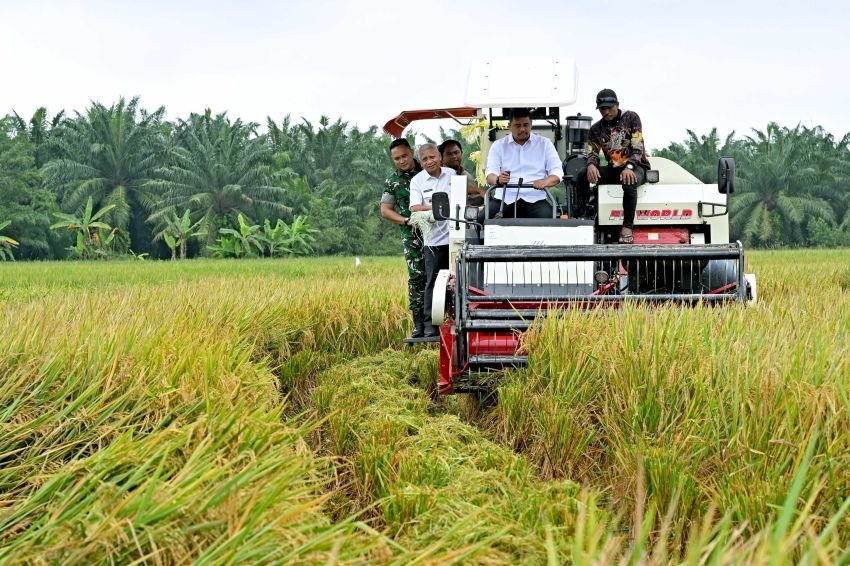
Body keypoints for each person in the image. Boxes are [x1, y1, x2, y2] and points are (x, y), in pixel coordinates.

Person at [581, 88, 651, 243]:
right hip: (615, 168)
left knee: (629, 179)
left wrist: (630, 167)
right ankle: (584, 216)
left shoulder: (631, 117)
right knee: (581, 174)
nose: (606, 112)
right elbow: (592, 152)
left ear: (617, 105)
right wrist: (591, 165)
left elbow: (638, 147)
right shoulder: (595, 129)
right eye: (602, 109)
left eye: (609, 108)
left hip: (637, 166)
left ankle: (627, 226)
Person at [380, 138, 427, 337]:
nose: (401, 161)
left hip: (438, 231)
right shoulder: (393, 181)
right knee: (416, 276)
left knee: (442, 274)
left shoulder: (428, 170)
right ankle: (419, 324)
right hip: (411, 234)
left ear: (412, 152)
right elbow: (385, 210)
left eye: (404, 156)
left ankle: (438, 319)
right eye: (396, 158)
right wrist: (406, 221)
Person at [409, 143, 455, 338]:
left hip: (455, 239)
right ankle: (429, 326)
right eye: (425, 159)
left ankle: (456, 321)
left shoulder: (453, 174)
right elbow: (414, 208)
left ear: (440, 157)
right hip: (433, 241)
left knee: (457, 282)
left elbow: (460, 200)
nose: (429, 161)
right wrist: (436, 209)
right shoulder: (417, 181)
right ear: (420, 162)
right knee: (433, 283)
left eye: (432, 157)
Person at [484, 108, 562, 219]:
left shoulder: (545, 144)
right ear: (509, 125)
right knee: (482, 219)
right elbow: (490, 174)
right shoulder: (498, 145)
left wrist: (544, 182)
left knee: (549, 221)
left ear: (531, 124)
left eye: (526, 125)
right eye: (517, 125)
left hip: (535, 199)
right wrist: (498, 179)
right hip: (505, 198)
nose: (522, 129)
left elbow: (557, 172)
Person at [438, 139, 484, 205]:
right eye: (449, 154)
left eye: (456, 152)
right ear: (441, 158)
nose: (454, 156)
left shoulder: (468, 175)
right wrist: (478, 190)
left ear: (461, 153)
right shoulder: (440, 175)